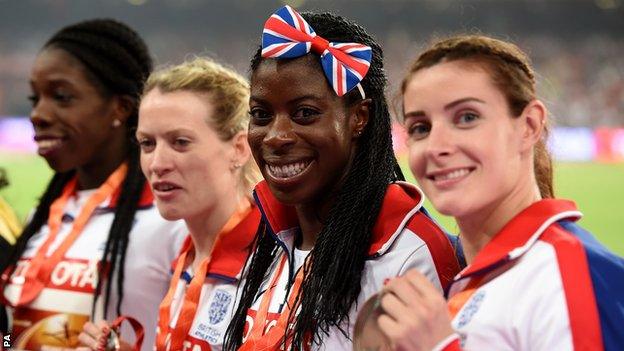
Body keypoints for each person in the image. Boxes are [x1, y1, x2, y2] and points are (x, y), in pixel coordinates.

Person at [223, 6, 461, 351]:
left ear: (359, 119)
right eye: (261, 114)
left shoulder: (409, 255)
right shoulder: (266, 240)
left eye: (305, 114)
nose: (275, 136)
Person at [376, 34, 624, 350]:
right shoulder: (479, 275)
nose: (436, 146)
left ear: (529, 126)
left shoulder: (571, 277)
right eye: (420, 128)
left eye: (467, 117)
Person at [0, 19, 186, 350]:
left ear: (121, 107)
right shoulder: (40, 219)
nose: (38, 114)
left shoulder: (170, 219)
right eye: (35, 98)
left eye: (61, 96)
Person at [77, 57, 262, 351]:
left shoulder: (277, 262)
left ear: (239, 149)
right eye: (147, 144)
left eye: (180, 142)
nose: (157, 164)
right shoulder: (187, 256)